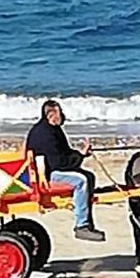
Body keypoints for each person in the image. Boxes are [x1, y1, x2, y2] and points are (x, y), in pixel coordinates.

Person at [25, 99, 105, 242]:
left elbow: (65, 153)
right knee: (82, 181)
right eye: (59, 112)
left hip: (52, 168)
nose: (62, 115)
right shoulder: (44, 134)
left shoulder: (53, 129)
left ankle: (88, 221)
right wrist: (79, 155)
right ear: (50, 115)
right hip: (46, 175)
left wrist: (81, 154)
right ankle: (81, 226)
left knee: (89, 176)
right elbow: (59, 163)